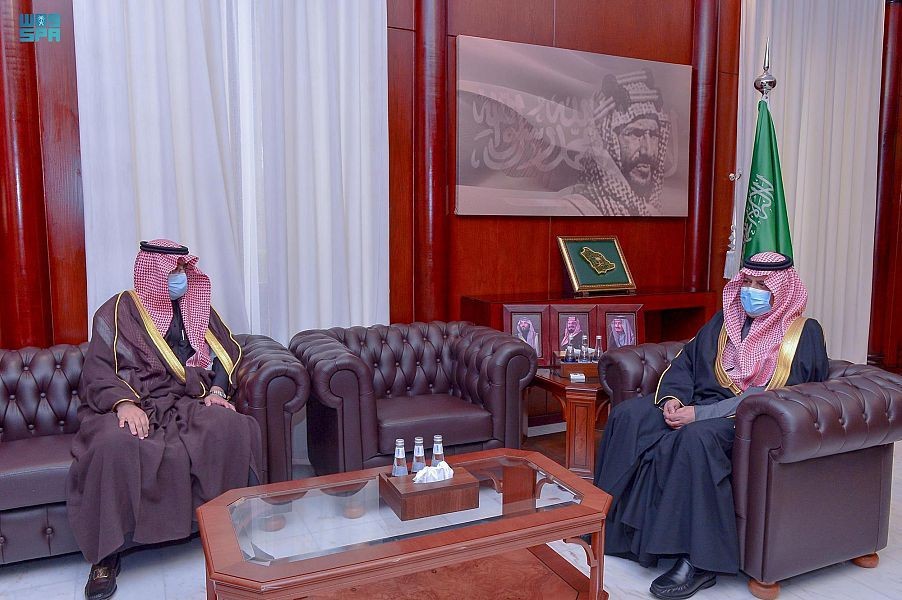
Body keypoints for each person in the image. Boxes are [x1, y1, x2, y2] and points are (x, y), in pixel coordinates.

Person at [591, 252, 829, 599]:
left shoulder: (803, 334)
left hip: (748, 421)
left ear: (782, 290)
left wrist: (699, 415)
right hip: (698, 402)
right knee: (628, 416)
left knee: (695, 439)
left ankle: (697, 562)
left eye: (762, 285)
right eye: (747, 282)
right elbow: (686, 363)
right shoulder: (725, 320)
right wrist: (673, 399)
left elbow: (780, 395)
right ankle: (606, 526)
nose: (751, 291)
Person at [67, 240, 262, 600]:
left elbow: (223, 354)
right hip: (133, 399)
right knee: (113, 444)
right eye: (173, 271)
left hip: (186, 399)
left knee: (229, 426)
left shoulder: (196, 306)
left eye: (184, 270)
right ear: (152, 272)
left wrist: (217, 392)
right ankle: (105, 556)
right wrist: (123, 405)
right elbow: (98, 370)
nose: (180, 277)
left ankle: (232, 533)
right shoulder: (119, 311)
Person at [581, 70, 671, 216]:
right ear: (607, 142)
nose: (648, 151)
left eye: (654, 135)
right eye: (635, 134)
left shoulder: (653, 213)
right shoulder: (578, 210)